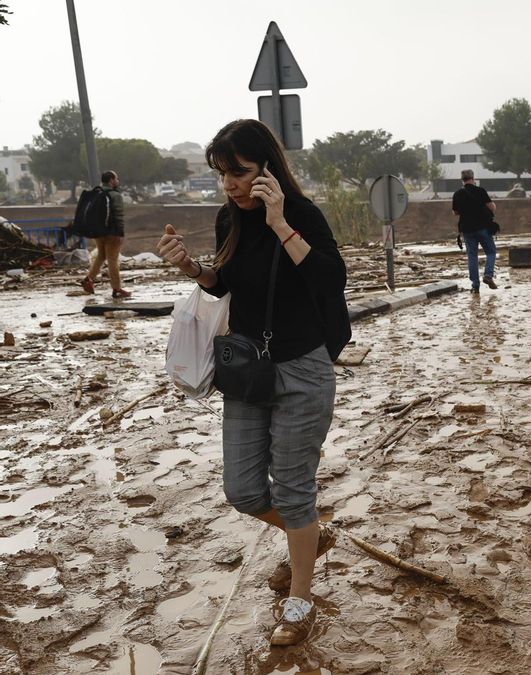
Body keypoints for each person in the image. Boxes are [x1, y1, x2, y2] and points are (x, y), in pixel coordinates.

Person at [155, 119, 351, 647]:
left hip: (302, 369)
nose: (230, 185)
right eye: (222, 174)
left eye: (238, 173)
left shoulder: (301, 213)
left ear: (267, 169)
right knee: (242, 490)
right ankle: (311, 535)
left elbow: (331, 280)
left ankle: (299, 602)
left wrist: (280, 222)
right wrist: (192, 268)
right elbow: (226, 284)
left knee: (292, 490)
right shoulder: (228, 218)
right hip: (247, 369)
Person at [79, 170, 132, 298]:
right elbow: (118, 215)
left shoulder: (96, 193)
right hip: (112, 232)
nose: (118, 181)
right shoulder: (115, 195)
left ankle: (88, 279)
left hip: (98, 232)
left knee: (101, 256)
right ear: (111, 180)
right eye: (116, 179)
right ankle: (117, 289)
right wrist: (120, 233)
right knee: (112, 260)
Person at [452, 169, 499, 293]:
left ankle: (475, 286)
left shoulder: (457, 194)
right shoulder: (480, 191)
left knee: (472, 256)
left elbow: (455, 212)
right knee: (491, 252)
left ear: (462, 180)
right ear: (473, 178)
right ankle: (488, 275)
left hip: (467, 230)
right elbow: (491, 207)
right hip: (483, 228)